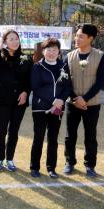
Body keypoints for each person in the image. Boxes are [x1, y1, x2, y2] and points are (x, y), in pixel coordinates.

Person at [63, 23, 104, 178]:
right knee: (70, 135)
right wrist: (76, 99)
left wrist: (85, 99)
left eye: (81, 36)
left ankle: (90, 165)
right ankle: (69, 162)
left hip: (92, 104)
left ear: (91, 38)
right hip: (73, 103)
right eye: (76, 35)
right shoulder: (69, 56)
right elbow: (65, 80)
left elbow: (101, 81)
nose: (77, 38)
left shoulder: (101, 56)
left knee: (90, 135)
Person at [0, 29, 32, 172]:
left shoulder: (26, 58)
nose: (14, 41)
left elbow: (29, 80)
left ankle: (10, 159)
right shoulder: (0, 57)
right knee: (1, 131)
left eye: (16, 38)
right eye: (11, 39)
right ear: (5, 42)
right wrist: (1, 49)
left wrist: (26, 92)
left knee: (14, 131)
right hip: (3, 100)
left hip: (19, 101)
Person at [30, 38, 72, 178]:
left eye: (55, 49)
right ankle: (34, 167)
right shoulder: (37, 66)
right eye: (49, 49)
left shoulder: (63, 66)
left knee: (53, 139)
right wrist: (54, 100)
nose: (52, 52)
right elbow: (36, 87)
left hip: (58, 109)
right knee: (39, 138)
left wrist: (61, 100)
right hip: (40, 108)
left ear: (59, 51)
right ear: (43, 51)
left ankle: (51, 168)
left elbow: (68, 86)